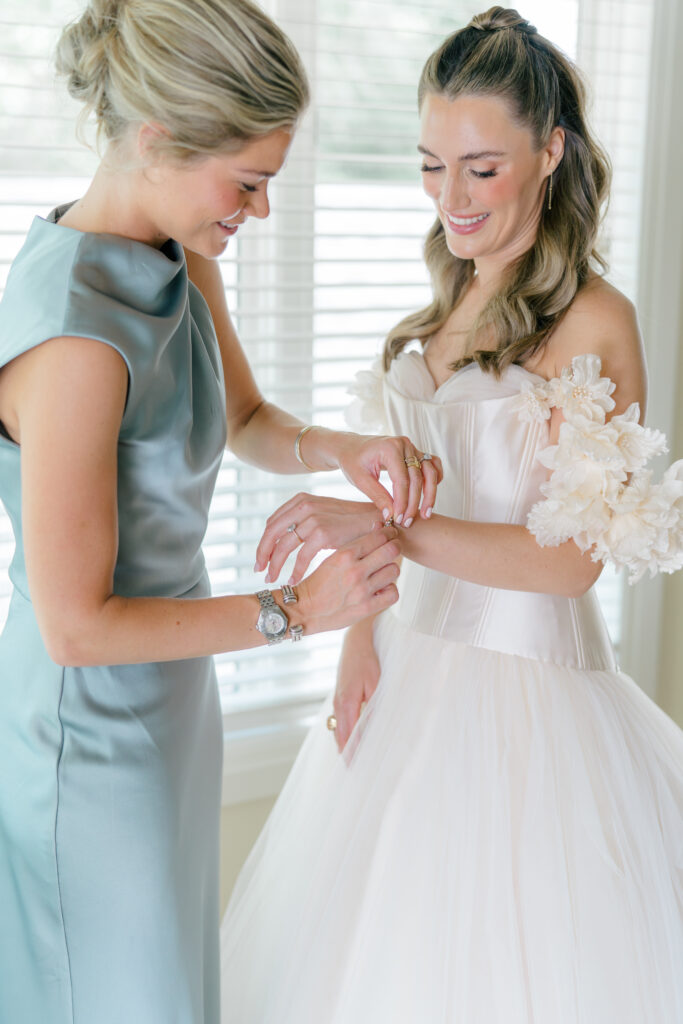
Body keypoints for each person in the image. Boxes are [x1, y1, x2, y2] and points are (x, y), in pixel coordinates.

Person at [220, 8, 683, 1022]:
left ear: (549, 149)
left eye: (481, 166)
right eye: (431, 164)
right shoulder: (440, 309)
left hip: (534, 706)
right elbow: (403, 513)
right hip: (407, 678)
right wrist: (356, 643)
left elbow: (566, 566)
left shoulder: (593, 319)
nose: (449, 197)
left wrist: (375, 530)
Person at [0, 1, 444, 1022]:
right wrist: (296, 609)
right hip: (90, 732)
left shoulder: (173, 248)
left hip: (167, 706)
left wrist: (344, 447)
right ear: (157, 137)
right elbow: (76, 627)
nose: (259, 210)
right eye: (247, 182)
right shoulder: (75, 341)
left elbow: (238, 412)